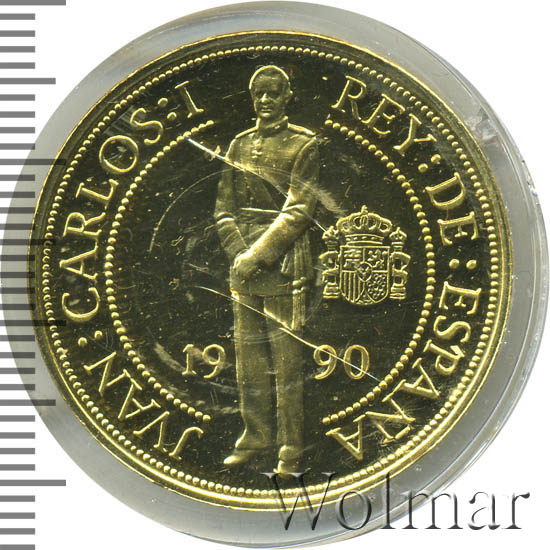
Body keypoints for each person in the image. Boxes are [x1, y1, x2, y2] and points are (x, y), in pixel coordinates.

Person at [214, 65, 319, 475]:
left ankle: (290, 450)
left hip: (283, 264)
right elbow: (224, 210)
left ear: (287, 96)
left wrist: (257, 255)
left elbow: (298, 210)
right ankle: (255, 436)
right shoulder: (239, 144)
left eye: (273, 93)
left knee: (287, 364)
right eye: (259, 93)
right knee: (250, 362)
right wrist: (238, 255)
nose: (265, 100)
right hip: (242, 267)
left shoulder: (304, 144)